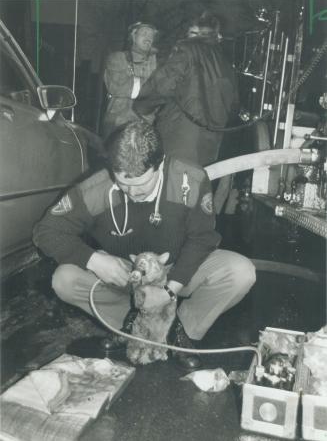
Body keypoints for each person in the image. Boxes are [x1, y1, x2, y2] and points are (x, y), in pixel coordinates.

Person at [33, 121, 256, 370]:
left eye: (140, 184)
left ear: (159, 165)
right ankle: (130, 329)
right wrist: (95, 260)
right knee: (64, 279)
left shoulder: (189, 180)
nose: (131, 192)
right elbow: (45, 231)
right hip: (127, 275)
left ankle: (177, 333)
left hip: (176, 268)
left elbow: (202, 239)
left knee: (240, 271)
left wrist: (168, 291)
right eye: (123, 183)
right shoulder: (95, 189)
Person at [133, 11, 239, 166]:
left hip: (180, 137)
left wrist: (141, 105)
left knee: (173, 184)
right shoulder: (226, 63)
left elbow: (162, 86)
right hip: (211, 144)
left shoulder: (186, 49)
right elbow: (234, 107)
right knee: (195, 186)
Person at [102, 22, 158, 139]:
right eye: (144, 33)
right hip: (120, 122)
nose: (148, 38)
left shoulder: (157, 64)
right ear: (133, 35)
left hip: (147, 125)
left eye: (151, 36)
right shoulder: (118, 58)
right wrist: (153, 86)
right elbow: (118, 86)